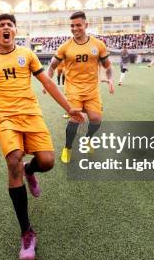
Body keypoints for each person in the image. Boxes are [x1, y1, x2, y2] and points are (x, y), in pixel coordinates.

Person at [0, 14, 83, 260]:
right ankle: (27, 232)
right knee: (13, 159)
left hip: (31, 115)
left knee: (47, 162)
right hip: (6, 118)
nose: (6, 28)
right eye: (1, 25)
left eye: (9, 25)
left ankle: (30, 171)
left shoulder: (27, 54)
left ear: (15, 31)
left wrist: (69, 108)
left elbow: (48, 83)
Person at [46, 11, 115, 163]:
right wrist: (47, 81)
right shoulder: (64, 47)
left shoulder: (98, 45)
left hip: (92, 90)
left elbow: (108, 66)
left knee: (96, 119)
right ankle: (68, 148)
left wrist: (110, 79)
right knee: (75, 120)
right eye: (72, 25)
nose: (75, 28)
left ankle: (87, 139)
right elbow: (51, 67)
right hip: (73, 90)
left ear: (86, 25)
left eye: (78, 25)